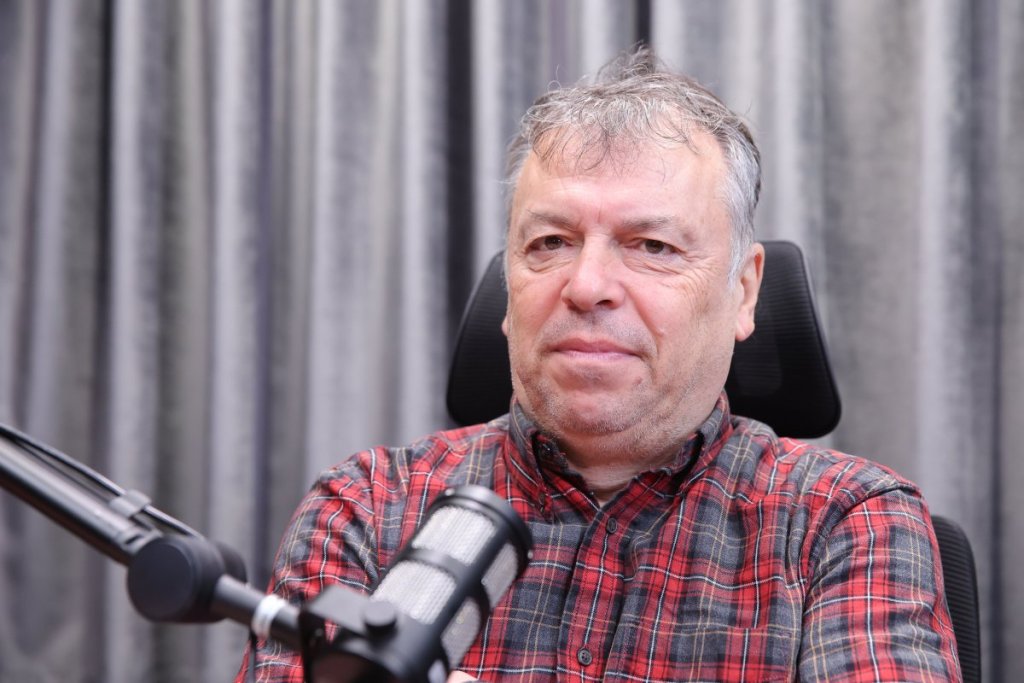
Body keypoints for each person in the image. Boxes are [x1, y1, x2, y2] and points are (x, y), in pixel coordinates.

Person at [237, 46, 961, 682]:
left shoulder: (845, 523)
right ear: (509, 285)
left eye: (653, 246)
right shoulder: (367, 508)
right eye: (550, 243)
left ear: (743, 293)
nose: (586, 287)